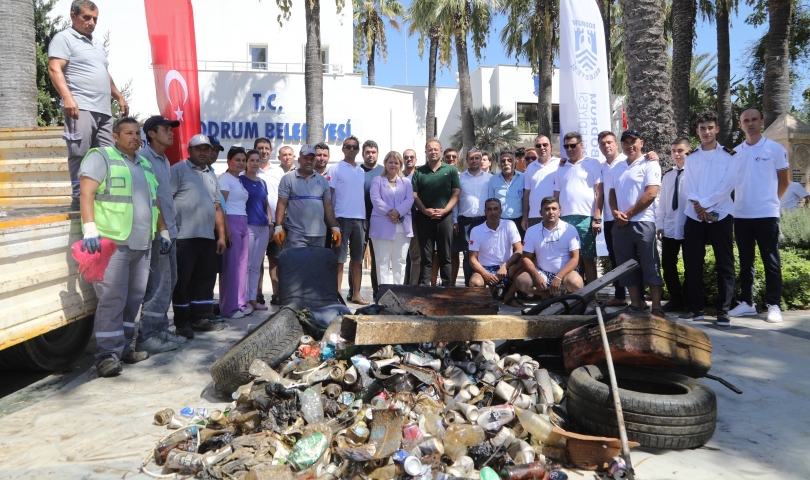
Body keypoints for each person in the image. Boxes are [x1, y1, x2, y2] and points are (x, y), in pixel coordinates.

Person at [78, 117, 170, 377]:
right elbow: (87, 193)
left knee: (134, 299)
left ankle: (124, 347)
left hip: (142, 243)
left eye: (137, 133)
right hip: (112, 243)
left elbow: (155, 202)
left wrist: (162, 230)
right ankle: (106, 355)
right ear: (115, 136)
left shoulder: (144, 164)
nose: (135, 137)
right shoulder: (102, 157)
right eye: (128, 133)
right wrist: (90, 228)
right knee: (112, 300)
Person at [48, 0, 128, 210]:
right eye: (86, 17)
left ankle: (103, 199)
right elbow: (54, 68)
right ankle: (78, 199)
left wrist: (118, 95)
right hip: (80, 107)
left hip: (103, 110)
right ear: (73, 16)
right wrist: (67, 97)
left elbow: (104, 73)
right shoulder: (64, 38)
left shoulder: (97, 44)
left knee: (108, 156)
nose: (91, 22)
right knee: (80, 154)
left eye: (95, 19)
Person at [728, 108, 791, 323]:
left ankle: (774, 305)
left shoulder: (775, 149)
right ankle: (747, 303)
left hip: (766, 214)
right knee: (746, 262)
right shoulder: (734, 153)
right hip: (741, 215)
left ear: (761, 121)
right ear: (740, 125)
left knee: (771, 261)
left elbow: (785, 181)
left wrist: (771, 202)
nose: (750, 123)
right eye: (746, 120)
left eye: (754, 119)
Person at [135, 115, 187, 355]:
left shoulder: (163, 159)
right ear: (151, 134)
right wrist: (162, 230)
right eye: (165, 129)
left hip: (170, 231)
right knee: (158, 284)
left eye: (171, 129)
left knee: (170, 282)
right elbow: (150, 199)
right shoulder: (143, 158)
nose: (171, 132)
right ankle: (147, 335)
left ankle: (161, 328)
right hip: (158, 232)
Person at [680, 111, 737, 327]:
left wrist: (706, 204)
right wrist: (698, 205)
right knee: (693, 263)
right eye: (702, 128)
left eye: (710, 127)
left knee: (725, 264)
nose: (706, 132)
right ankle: (697, 309)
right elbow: (688, 186)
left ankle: (723, 311)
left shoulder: (730, 156)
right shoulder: (691, 157)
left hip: (721, 214)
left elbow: (728, 185)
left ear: (717, 129)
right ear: (697, 131)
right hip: (694, 215)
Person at [171, 134, 228, 338]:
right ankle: (182, 322)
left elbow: (217, 207)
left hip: (207, 237)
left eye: (206, 149)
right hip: (184, 236)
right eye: (199, 149)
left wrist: (220, 236)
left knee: (205, 280)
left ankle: (201, 317)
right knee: (183, 281)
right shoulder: (178, 170)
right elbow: (166, 201)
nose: (204, 152)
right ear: (190, 150)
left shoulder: (211, 175)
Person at [608, 129, 664, 316]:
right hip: (621, 224)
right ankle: (636, 303)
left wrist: (629, 214)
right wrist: (615, 213)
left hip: (643, 223)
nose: (630, 145)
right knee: (626, 266)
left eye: (633, 141)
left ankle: (656, 306)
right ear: (621, 145)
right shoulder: (617, 167)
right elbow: (611, 193)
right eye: (625, 142)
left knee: (650, 264)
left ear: (641, 142)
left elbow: (651, 194)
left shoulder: (650, 163)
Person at [554, 132, 603, 284]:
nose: (569, 149)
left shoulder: (593, 163)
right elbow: (556, 195)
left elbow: (599, 192)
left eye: (573, 145)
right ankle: (573, 294)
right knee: (568, 259)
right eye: (566, 146)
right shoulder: (561, 167)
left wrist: (596, 217)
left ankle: (592, 297)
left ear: (581, 145)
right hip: (564, 220)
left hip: (585, 218)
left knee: (588, 259)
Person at [513, 196, 584, 301]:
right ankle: (546, 294)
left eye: (554, 209)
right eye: (547, 209)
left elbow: (575, 258)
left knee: (576, 284)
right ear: (540, 212)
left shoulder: (570, 229)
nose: (551, 212)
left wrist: (559, 277)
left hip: (565, 273)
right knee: (521, 281)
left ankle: (564, 297)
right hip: (542, 272)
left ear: (559, 211)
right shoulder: (532, 231)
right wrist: (536, 275)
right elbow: (526, 258)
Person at [412, 140, 461, 286]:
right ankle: (425, 287)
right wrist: (425, 211)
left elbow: (456, 192)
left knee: (445, 255)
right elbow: (414, 195)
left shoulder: (451, 170)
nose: (433, 151)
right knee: (426, 256)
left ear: (441, 151)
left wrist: (445, 210)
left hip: (445, 218)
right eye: (429, 149)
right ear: (426, 152)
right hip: (424, 219)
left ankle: (447, 287)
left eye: (435, 149)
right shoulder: (419, 171)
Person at [327, 136, 369, 304]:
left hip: (359, 219)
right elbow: (328, 196)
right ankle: (336, 295)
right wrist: (332, 221)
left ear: (358, 150)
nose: (351, 149)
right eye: (348, 146)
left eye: (354, 147)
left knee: (357, 259)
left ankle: (356, 294)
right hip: (341, 219)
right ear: (343, 149)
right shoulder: (335, 169)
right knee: (339, 260)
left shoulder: (361, 170)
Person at [274, 145, 341, 248]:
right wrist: (278, 227)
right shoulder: (288, 179)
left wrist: (334, 226)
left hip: (319, 234)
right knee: (298, 264)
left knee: (316, 264)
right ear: (299, 159)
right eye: (305, 158)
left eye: (311, 158)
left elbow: (328, 206)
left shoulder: (323, 181)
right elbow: (282, 203)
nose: (309, 161)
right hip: (296, 234)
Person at [655, 138, 691, 313]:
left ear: (688, 151)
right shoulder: (668, 175)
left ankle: (689, 300)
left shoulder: (693, 173)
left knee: (691, 265)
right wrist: (659, 224)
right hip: (670, 226)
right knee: (668, 265)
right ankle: (676, 299)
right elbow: (662, 203)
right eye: (674, 151)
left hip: (689, 226)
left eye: (680, 151)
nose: (676, 154)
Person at [370, 151, 414, 284]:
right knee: (382, 262)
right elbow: (375, 199)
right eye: (390, 162)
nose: (393, 165)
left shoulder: (406, 182)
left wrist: (398, 212)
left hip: (402, 227)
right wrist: (392, 212)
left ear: (400, 164)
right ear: (385, 163)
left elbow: (409, 199)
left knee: (400, 262)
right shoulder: (377, 180)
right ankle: (383, 296)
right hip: (382, 226)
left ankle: (398, 294)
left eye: (396, 162)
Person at [218, 147, 251, 319]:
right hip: (230, 220)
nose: (241, 163)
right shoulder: (225, 179)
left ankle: (240, 303)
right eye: (237, 159)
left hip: (243, 221)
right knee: (230, 267)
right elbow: (221, 205)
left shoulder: (238, 181)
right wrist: (225, 229)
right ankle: (228, 308)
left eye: (243, 160)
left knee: (241, 266)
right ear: (229, 161)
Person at [598, 131, 629, 307]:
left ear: (616, 144)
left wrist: (651, 155)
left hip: (625, 217)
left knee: (629, 258)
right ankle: (619, 295)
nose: (606, 146)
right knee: (614, 258)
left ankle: (637, 295)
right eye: (602, 144)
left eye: (609, 142)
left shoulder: (626, 161)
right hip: (609, 218)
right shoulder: (602, 166)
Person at [241, 149, 272, 313]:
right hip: (248, 226)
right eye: (251, 160)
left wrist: (271, 223)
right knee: (245, 265)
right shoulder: (239, 180)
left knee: (256, 265)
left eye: (257, 160)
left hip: (263, 227)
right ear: (246, 162)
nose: (254, 163)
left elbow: (266, 204)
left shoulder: (262, 182)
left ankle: (253, 299)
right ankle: (243, 299)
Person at [455, 148, 492, 285]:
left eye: (477, 158)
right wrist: (455, 220)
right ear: (467, 161)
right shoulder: (460, 178)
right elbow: (455, 201)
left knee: (484, 254)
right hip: (466, 222)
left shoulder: (490, 178)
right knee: (467, 255)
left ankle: (484, 286)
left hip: (484, 221)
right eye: (472, 158)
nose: (475, 161)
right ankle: (468, 287)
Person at [352, 140, 384, 300]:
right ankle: (354, 292)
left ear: (377, 153)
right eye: (367, 152)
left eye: (373, 152)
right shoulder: (356, 170)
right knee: (357, 257)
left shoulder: (384, 171)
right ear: (363, 154)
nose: (370, 155)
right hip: (359, 219)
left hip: (380, 220)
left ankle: (378, 292)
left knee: (378, 258)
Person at [468, 198, 523, 290]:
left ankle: (510, 296)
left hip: (506, 267)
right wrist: (485, 274)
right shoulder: (476, 230)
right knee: (475, 283)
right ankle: (488, 297)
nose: (493, 212)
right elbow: (472, 258)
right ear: (485, 212)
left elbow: (519, 250)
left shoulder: (510, 224)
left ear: (500, 211)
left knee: (525, 261)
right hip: (485, 269)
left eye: (496, 209)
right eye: (489, 209)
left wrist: (505, 266)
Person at [253, 137, 275, 305]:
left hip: (276, 224)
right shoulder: (248, 172)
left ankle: (277, 295)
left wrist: (278, 223)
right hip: (256, 225)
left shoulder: (279, 172)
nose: (264, 151)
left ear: (271, 151)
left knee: (276, 261)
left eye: (267, 148)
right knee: (256, 261)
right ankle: (257, 294)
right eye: (260, 148)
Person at [522, 136, 559, 231]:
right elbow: (526, 194)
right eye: (538, 145)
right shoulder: (530, 167)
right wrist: (525, 216)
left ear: (551, 146)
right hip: (534, 216)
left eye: (545, 145)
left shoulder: (560, 164)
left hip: (553, 215)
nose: (542, 147)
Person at [489, 151, 525, 238]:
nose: (506, 163)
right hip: (500, 222)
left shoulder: (523, 178)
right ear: (499, 164)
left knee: (519, 250)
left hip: (519, 222)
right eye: (503, 161)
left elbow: (526, 199)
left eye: (509, 160)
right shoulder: (493, 180)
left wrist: (525, 218)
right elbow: (491, 202)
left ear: (514, 162)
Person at [402, 149, 420, 285]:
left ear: (416, 159)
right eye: (406, 157)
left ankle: (413, 286)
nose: (409, 159)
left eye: (411, 157)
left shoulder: (421, 176)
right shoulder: (398, 177)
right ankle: (403, 285)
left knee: (416, 257)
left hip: (418, 219)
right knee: (402, 257)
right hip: (401, 220)